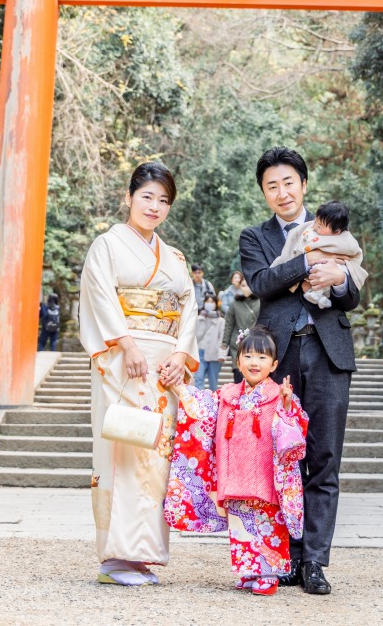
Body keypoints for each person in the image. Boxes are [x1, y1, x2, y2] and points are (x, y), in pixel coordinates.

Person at [238, 146, 360, 596]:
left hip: (329, 354)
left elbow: (352, 294)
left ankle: (314, 561)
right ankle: (284, 556)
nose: (282, 192)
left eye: (289, 182)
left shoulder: (335, 227)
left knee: (324, 458)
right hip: (278, 357)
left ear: (304, 184)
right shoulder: (255, 237)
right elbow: (262, 283)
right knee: (280, 458)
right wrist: (308, 261)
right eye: (272, 186)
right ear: (265, 193)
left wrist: (341, 280)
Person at [78, 162, 198, 587]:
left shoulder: (174, 257)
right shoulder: (106, 246)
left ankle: (143, 555)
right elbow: (100, 298)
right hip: (124, 362)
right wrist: (126, 345)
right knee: (123, 451)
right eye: (146, 196)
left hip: (164, 369)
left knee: (157, 456)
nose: (154, 206)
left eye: (163, 200)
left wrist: (182, 355)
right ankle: (115, 558)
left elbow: (188, 307)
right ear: (128, 197)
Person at [164, 327, 309, 596]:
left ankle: (268, 572)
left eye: (263, 358)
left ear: (274, 365)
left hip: (266, 476)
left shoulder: (280, 396)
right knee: (241, 522)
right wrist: (180, 388)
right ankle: (248, 569)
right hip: (235, 473)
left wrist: (288, 408)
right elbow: (200, 406)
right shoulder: (228, 395)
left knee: (266, 521)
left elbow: (295, 433)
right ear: (238, 361)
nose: (255, 363)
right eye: (249, 356)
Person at [269, 200, 368, 309]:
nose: (315, 227)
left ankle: (319, 295)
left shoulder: (346, 240)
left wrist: (340, 277)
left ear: (336, 231)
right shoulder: (304, 230)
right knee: (307, 282)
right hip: (302, 275)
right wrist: (309, 257)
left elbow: (353, 254)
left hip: (333, 271)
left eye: (320, 226)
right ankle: (317, 295)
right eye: (315, 221)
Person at [222, 272, 260, 384]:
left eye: (248, 285)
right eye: (243, 285)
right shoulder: (235, 304)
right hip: (237, 343)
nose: (246, 288)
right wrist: (225, 341)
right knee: (238, 372)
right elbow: (229, 323)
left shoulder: (260, 302)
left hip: (255, 342)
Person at [195, 292, 226, 391]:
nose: (209, 303)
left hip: (214, 354)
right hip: (200, 351)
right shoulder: (199, 318)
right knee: (198, 378)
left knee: (213, 381)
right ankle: (199, 402)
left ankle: (213, 402)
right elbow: (196, 336)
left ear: (216, 304)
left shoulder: (221, 321)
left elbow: (223, 339)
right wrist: (202, 319)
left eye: (212, 301)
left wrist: (222, 354)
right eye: (207, 301)